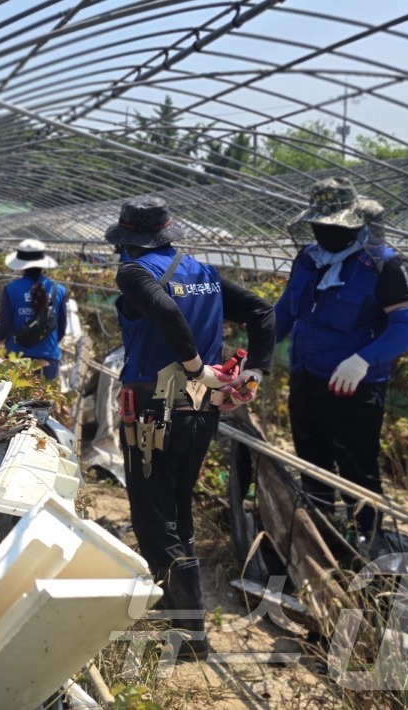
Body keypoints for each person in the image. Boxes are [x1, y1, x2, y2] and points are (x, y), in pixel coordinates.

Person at [107, 195, 274, 660]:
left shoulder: (133, 272)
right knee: (178, 509)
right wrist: (252, 372)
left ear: (128, 239)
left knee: (152, 515)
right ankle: (186, 621)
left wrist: (197, 367)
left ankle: (186, 634)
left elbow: (165, 311)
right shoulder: (202, 273)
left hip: (153, 409)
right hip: (202, 410)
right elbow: (262, 310)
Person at [276, 177, 408, 549]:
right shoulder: (308, 259)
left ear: (356, 223)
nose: (325, 232)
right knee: (312, 462)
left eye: (334, 226)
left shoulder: (386, 266)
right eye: (319, 224)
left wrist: (364, 359)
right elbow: (284, 310)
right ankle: (320, 536)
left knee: (358, 471)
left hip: (354, 387)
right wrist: (256, 354)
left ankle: (367, 543)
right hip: (306, 377)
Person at [0, 238, 68, 380]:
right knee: (44, 400)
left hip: (17, 356)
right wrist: (43, 341)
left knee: (18, 400)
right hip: (48, 358)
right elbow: (61, 328)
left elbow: (3, 327)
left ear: (21, 264)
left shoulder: (11, 289)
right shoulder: (58, 290)